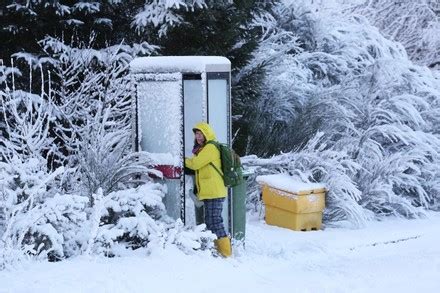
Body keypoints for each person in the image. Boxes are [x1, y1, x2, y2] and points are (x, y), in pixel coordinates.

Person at [185, 122, 232, 257]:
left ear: (207, 134)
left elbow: (196, 164)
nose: (198, 137)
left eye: (200, 134)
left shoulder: (210, 147)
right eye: (196, 134)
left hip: (214, 192)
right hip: (210, 192)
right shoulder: (202, 148)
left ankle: (226, 254)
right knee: (210, 221)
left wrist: (182, 160)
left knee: (215, 221)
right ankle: (218, 250)